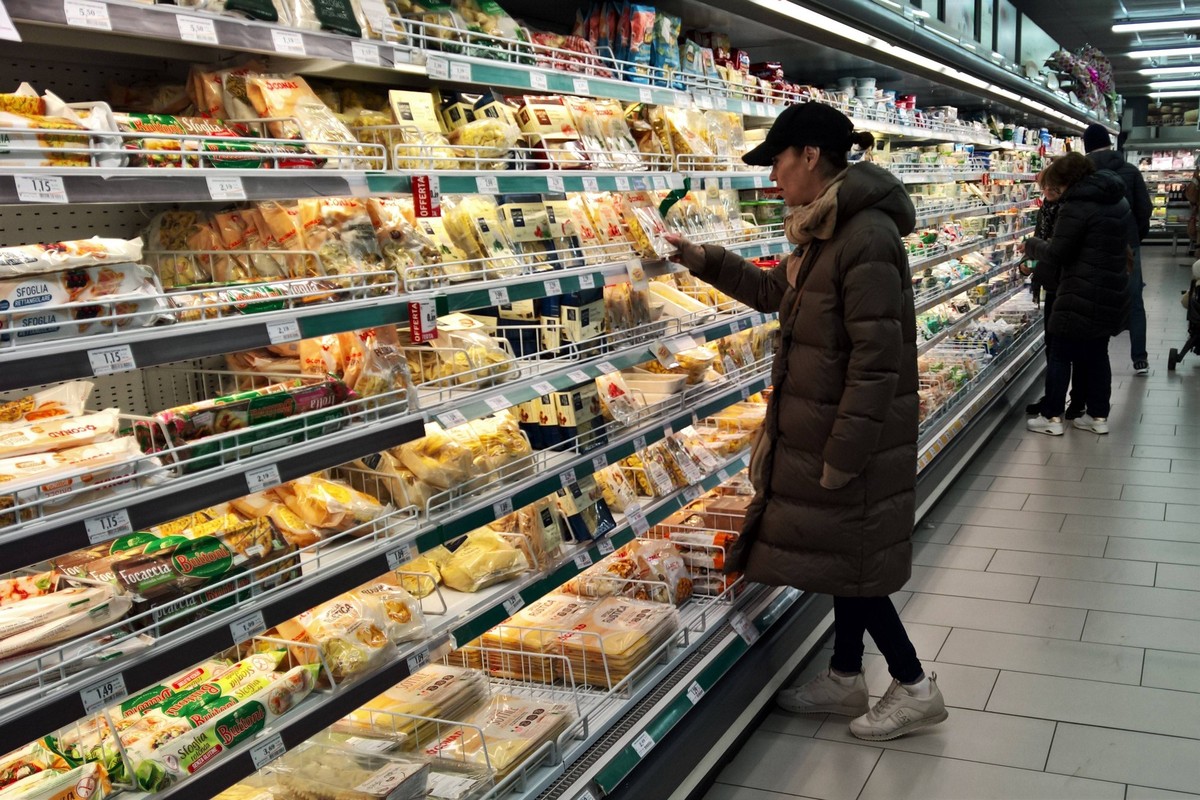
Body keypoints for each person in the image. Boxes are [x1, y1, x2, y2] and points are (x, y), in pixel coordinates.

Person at [664, 102, 947, 741]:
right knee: (842, 557)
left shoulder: (864, 236)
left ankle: (915, 687)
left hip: (848, 440)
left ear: (811, 156)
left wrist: (845, 453)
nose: (774, 179)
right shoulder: (826, 231)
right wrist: (703, 258)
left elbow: (878, 361)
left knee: (858, 565)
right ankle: (847, 676)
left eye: (779, 163)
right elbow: (778, 295)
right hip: (825, 431)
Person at [1025, 153, 1132, 436]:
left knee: (1060, 352)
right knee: (1097, 354)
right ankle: (1098, 417)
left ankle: (1051, 419)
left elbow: (1059, 252)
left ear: (1066, 182)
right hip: (1110, 287)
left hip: (1079, 289)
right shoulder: (1117, 199)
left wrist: (1032, 245)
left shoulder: (1077, 205)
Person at [1083, 123, 1151, 375]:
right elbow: (1145, 209)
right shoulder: (1131, 171)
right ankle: (1140, 358)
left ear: (1086, 147)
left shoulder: (1083, 174)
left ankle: (1094, 357)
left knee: (1094, 299)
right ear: (1110, 144)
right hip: (1127, 244)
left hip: (1094, 245)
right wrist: (1135, 235)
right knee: (1134, 300)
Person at [1022, 170, 1087, 419]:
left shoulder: (1073, 211)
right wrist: (1028, 261)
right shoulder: (1048, 209)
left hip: (1073, 286)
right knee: (1054, 346)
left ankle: (1074, 402)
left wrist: (1035, 249)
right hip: (1052, 283)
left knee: (1071, 349)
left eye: (1052, 187)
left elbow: (1058, 251)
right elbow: (1041, 240)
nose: (1046, 192)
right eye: (1044, 187)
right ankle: (1054, 398)